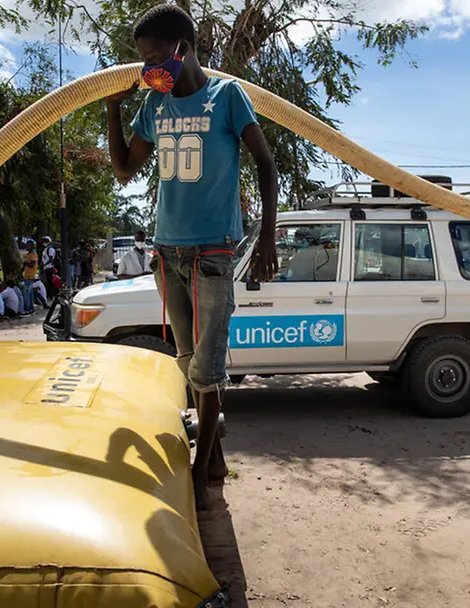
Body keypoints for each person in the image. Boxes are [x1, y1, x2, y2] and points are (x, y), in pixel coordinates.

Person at [105, 4, 278, 508]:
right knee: (188, 361)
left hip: (213, 251)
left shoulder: (227, 96)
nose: (148, 68)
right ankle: (215, 460)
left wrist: (267, 238)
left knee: (207, 368)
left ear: (182, 49)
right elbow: (124, 170)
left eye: (154, 57)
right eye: (142, 59)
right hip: (168, 253)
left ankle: (200, 477)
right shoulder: (153, 105)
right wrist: (113, 108)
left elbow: (265, 163)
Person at [22, 241, 39, 314]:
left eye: (28, 245)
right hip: (27, 276)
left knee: (27, 293)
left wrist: (26, 263)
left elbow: (32, 264)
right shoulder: (27, 254)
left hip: (30, 276)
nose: (27, 247)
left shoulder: (33, 254)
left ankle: (27, 309)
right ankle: (31, 308)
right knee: (30, 293)